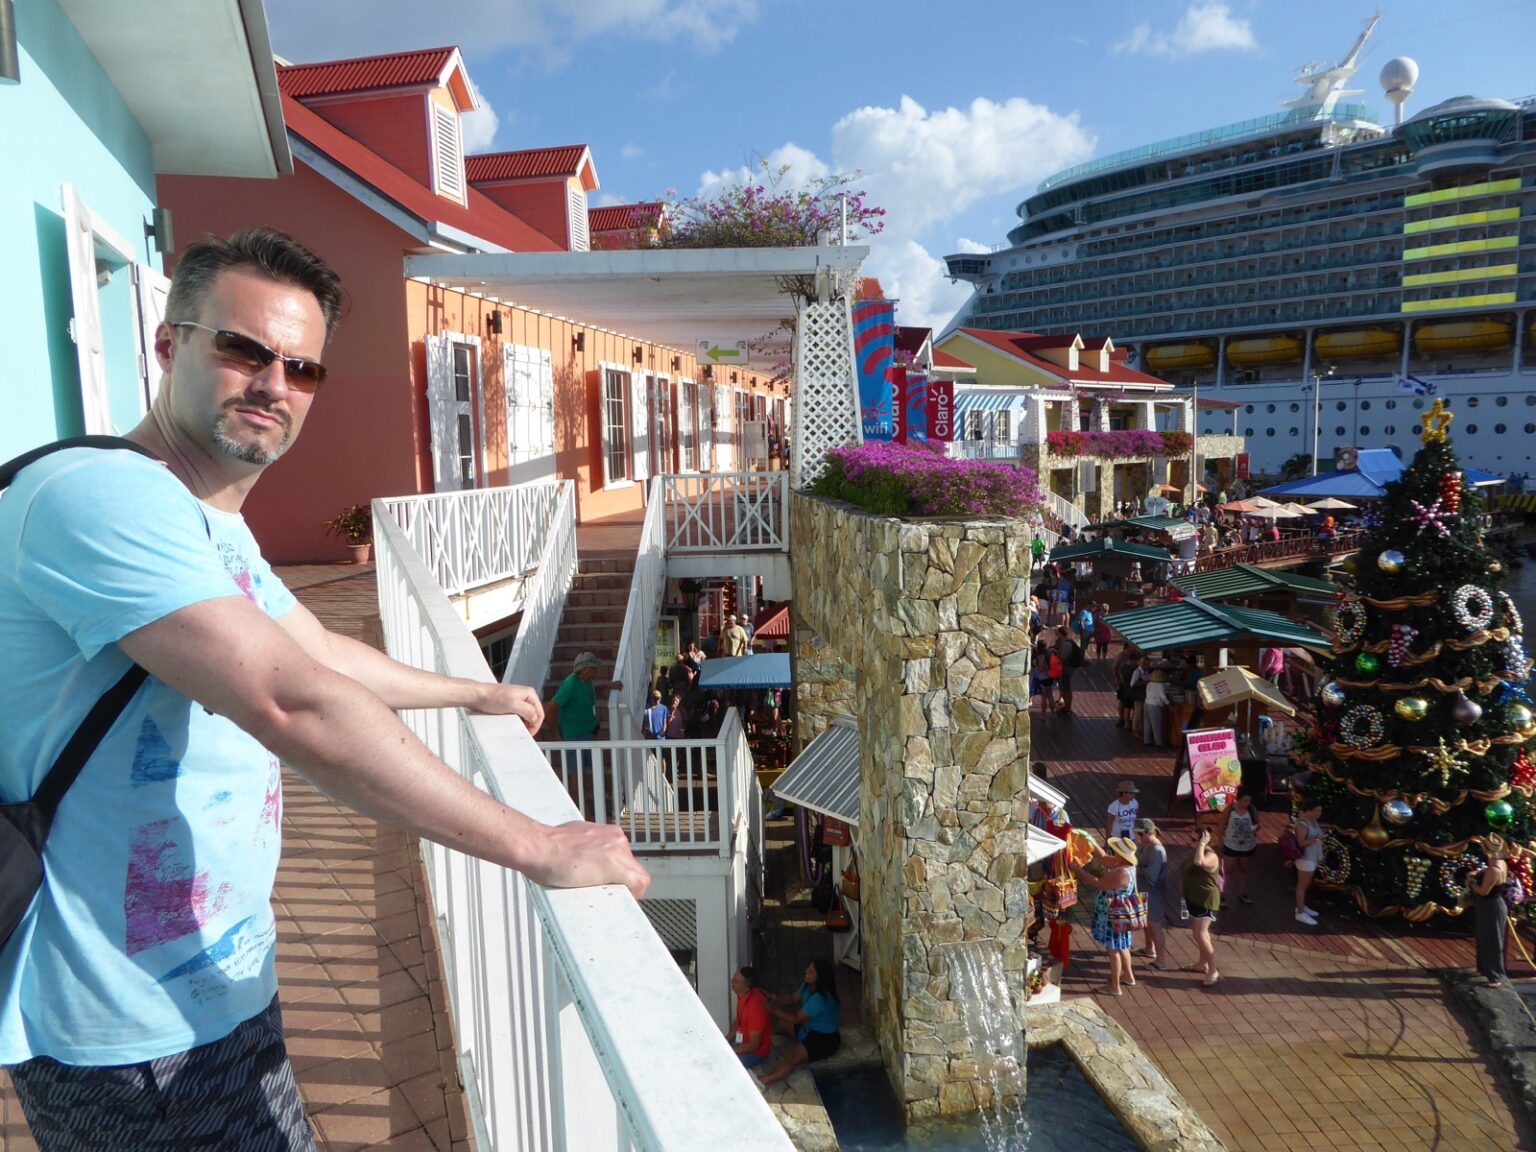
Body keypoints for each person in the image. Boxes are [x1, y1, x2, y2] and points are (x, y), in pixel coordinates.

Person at [0, 229, 649, 1151]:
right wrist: (536, 844)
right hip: (126, 1025)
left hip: (211, 986)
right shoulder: (101, 499)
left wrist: (471, 695)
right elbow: (291, 702)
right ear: (166, 344)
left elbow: (320, 654)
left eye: (302, 368)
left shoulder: (205, 525)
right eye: (243, 349)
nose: (274, 384)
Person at [758, 958, 841, 1085]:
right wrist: (773, 998)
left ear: (820, 977)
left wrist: (773, 1010)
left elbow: (796, 1018)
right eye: (808, 968)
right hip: (808, 1028)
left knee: (792, 1057)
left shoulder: (820, 999)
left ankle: (762, 1081)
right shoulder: (808, 986)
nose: (806, 971)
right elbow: (792, 998)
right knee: (779, 1024)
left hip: (824, 1039)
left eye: (811, 971)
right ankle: (757, 1039)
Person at [1074, 838, 1139, 996]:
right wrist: (1090, 841)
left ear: (1120, 854)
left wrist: (1078, 870)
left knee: (1113, 949)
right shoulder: (1123, 864)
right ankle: (1129, 976)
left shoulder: (1122, 873)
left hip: (1113, 913)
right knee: (1123, 945)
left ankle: (1115, 986)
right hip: (1122, 912)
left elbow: (1098, 882)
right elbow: (1103, 859)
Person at [1468, 836, 1511, 988]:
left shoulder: (1494, 870)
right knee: (1483, 937)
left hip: (1491, 905)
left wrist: (1472, 884)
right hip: (1488, 905)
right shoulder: (1499, 863)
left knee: (1492, 941)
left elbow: (1483, 891)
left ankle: (1495, 975)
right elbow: (1486, 871)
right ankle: (1483, 969)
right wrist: (1476, 874)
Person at [1182, 826, 1222, 986]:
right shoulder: (1196, 850)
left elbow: (1199, 862)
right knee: (1197, 933)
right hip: (1193, 897)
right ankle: (1202, 963)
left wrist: (1203, 844)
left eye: (1193, 840)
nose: (1189, 842)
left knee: (1201, 934)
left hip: (1206, 899)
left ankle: (1213, 970)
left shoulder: (1211, 855)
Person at [1133, 819, 1170, 970]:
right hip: (1143, 890)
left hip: (1154, 893)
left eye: (1140, 834)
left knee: (1155, 925)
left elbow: (1151, 875)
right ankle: (1149, 949)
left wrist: (1136, 868)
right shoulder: (1143, 844)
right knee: (1146, 921)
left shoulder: (1157, 851)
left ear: (1149, 833)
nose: (1137, 837)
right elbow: (1135, 858)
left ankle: (1161, 961)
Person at [548, 651, 603, 740]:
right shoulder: (570, 685)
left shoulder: (587, 680)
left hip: (589, 731)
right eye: (593, 668)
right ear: (584, 669)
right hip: (574, 736)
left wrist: (610, 685)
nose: (596, 670)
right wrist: (557, 737)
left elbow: (588, 693)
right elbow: (550, 710)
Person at [1220, 786, 1261, 905]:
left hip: (1247, 845)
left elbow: (1258, 824)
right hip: (1231, 844)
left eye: (1249, 801)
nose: (1247, 803)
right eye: (1245, 801)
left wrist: (1255, 829)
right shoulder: (1230, 810)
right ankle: (1222, 894)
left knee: (1243, 870)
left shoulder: (1252, 810)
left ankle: (1241, 893)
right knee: (1227, 871)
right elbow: (1222, 824)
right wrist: (1220, 841)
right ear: (1239, 799)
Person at [728, 967, 773, 1068]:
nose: (732, 983)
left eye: (736, 982)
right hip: (742, 1041)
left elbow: (754, 1045)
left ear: (746, 987)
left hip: (755, 1052)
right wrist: (727, 1038)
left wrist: (729, 1051)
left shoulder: (755, 1007)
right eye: (733, 979)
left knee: (728, 1065)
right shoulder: (742, 994)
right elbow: (739, 1020)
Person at [1294, 798, 1325, 925]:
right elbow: (1301, 843)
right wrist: (1317, 839)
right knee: (1301, 886)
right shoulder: (1303, 824)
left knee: (1305, 886)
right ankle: (1300, 913)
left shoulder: (1313, 821)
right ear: (1310, 810)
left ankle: (1301, 906)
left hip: (1313, 857)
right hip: (1305, 858)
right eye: (1317, 810)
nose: (1319, 813)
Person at [1143, 665, 1170, 748]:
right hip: (1155, 706)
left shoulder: (1149, 684)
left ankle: (1146, 741)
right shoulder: (1160, 685)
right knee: (1156, 724)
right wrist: (1168, 704)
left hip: (1147, 703)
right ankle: (1159, 743)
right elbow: (1163, 697)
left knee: (1147, 723)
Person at [1054, 629, 1078, 717]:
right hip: (1065, 669)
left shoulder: (1067, 644)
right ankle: (1066, 707)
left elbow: (1063, 657)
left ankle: (1068, 709)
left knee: (1066, 689)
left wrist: (1056, 653)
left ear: (1061, 634)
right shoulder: (1066, 641)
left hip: (1066, 669)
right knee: (1063, 687)